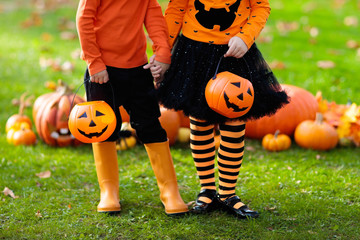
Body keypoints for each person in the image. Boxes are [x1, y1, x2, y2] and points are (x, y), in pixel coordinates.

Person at [149, 0, 289, 219]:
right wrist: (163, 53)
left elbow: (261, 7)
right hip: (194, 54)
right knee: (200, 123)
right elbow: (176, 9)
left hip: (235, 54)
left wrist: (246, 37)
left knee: (235, 122)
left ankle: (227, 193)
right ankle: (207, 190)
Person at [76, 0, 189, 216]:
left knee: (150, 126)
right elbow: (84, 20)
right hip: (102, 72)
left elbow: (154, 18)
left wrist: (163, 52)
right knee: (103, 127)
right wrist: (95, 63)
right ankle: (108, 190)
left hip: (138, 69)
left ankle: (170, 192)